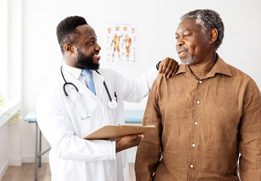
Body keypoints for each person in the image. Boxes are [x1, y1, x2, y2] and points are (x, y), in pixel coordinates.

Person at [36, 16, 178, 181]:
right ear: (69, 48)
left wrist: (159, 66)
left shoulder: (109, 77)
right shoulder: (51, 93)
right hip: (79, 175)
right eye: (90, 43)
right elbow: (64, 145)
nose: (98, 47)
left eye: (96, 41)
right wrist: (115, 147)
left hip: (113, 173)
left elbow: (138, 90)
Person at [135, 9, 261, 181]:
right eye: (177, 37)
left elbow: (253, 151)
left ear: (212, 35)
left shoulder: (244, 86)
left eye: (186, 35)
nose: (179, 43)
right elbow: (148, 142)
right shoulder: (164, 82)